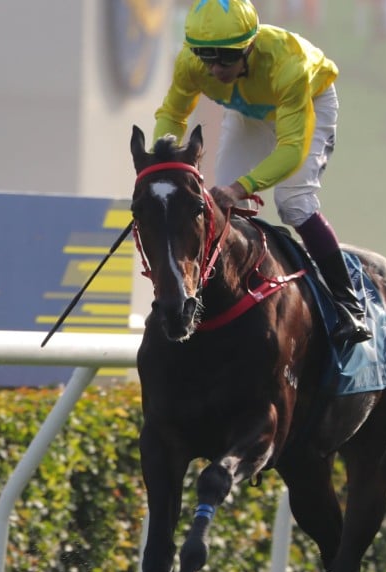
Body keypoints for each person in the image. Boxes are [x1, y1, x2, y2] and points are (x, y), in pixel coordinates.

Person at [153, 0, 372, 347]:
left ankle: (349, 305)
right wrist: (162, 164)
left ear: (250, 45)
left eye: (227, 57)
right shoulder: (190, 63)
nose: (215, 68)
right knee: (217, 206)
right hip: (247, 111)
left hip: (308, 103)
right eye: (206, 56)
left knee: (293, 202)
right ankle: (206, 298)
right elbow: (172, 115)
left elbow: (290, 150)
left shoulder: (288, 64)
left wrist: (244, 187)